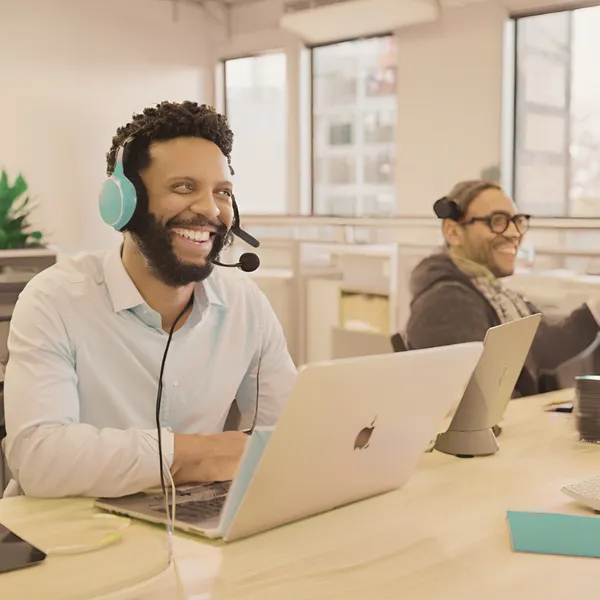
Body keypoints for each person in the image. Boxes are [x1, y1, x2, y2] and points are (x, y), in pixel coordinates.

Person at [3, 101, 297, 498]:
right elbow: (40, 460)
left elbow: (290, 433)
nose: (211, 210)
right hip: (67, 538)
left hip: (190, 531)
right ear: (123, 203)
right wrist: (200, 454)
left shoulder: (245, 304)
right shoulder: (54, 300)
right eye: (183, 187)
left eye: (222, 192)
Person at [406, 179, 600, 397]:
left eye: (517, 221)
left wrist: (594, 311)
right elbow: (481, 404)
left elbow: (543, 347)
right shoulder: (447, 301)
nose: (514, 233)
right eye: (497, 221)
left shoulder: (490, 292)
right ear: (453, 232)